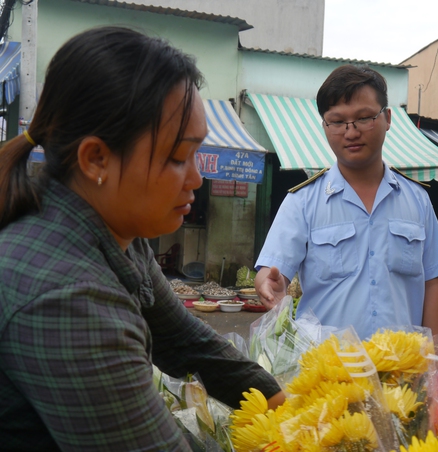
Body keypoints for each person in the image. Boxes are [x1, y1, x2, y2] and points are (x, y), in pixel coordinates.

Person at [0, 27, 283, 451]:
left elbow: (186, 341)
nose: (196, 178)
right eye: (177, 157)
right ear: (97, 158)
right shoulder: (68, 297)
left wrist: (291, 406)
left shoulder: (118, 235)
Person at [254, 65, 438, 342]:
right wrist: (267, 283)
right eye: (337, 122)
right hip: (327, 375)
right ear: (325, 126)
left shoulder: (417, 199)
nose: (350, 132)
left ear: (387, 118)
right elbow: (272, 272)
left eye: (363, 118)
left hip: (403, 375)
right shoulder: (301, 202)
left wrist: (437, 365)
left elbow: (431, 285)